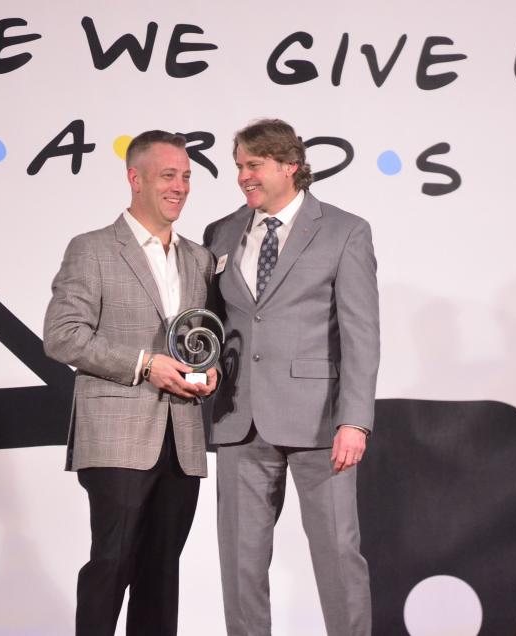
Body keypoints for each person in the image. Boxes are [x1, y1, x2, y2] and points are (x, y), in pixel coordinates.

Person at [203, 118, 380, 636]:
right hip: (239, 419)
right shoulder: (223, 231)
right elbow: (212, 323)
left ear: (290, 166)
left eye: (253, 166)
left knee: (338, 556)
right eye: (238, 167)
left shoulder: (345, 230)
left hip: (321, 425)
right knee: (239, 565)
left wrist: (356, 421)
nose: (243, 177)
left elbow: (361, 334)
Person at [43, 130, 218, 636]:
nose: (180, 187)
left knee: (162, 575)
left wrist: (210, 373)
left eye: (186, 177)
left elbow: (208, 340)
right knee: (112, 565)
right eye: (169, 175)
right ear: (134, 178)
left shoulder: (200, 258)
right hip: (117, 436)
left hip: (182, 439)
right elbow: (62, 336)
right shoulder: (93, 249)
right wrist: (146, 364)